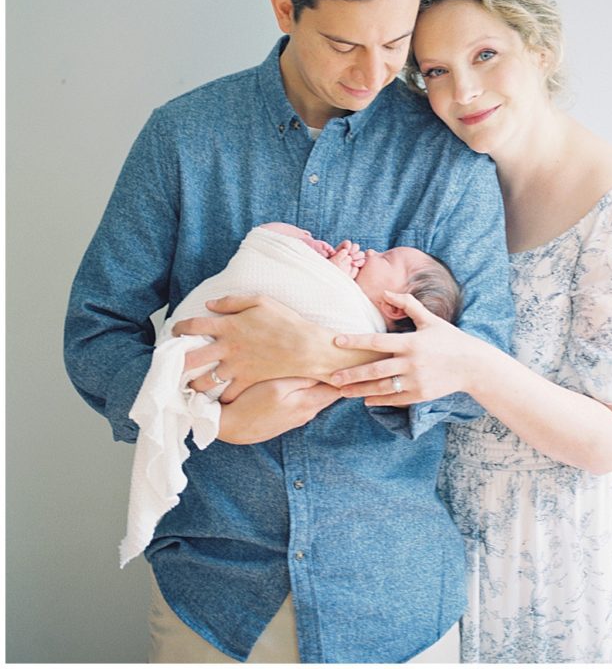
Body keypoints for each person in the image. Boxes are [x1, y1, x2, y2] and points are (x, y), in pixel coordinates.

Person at [64, 0, 514, 664]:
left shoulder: (447, 159)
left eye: (395, 44)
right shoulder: (183, 138)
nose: (374, 73)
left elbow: (481, 375)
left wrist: (316, 354)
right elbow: (95, 331)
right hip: (217, 593)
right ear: (284, 9)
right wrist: (207, 415)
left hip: (394, 597)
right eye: (343, 45)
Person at [328, 0, 612, 662]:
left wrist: (469, 367)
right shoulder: (454, 190)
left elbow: (608, 441)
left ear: (541, 48)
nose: (462, 93)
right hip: (477, 531)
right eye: (437, 73)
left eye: (485, 55)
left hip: (587, 534)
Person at [120, 222, 464, 569]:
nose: (373, 251)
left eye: (387, 259)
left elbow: (473, 375)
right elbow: (95, 331)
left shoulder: (357, 317)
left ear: (396, 308)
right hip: (210, 560)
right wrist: (318, 267)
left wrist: (323, 351)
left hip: (383, 564)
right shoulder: (173, 166)